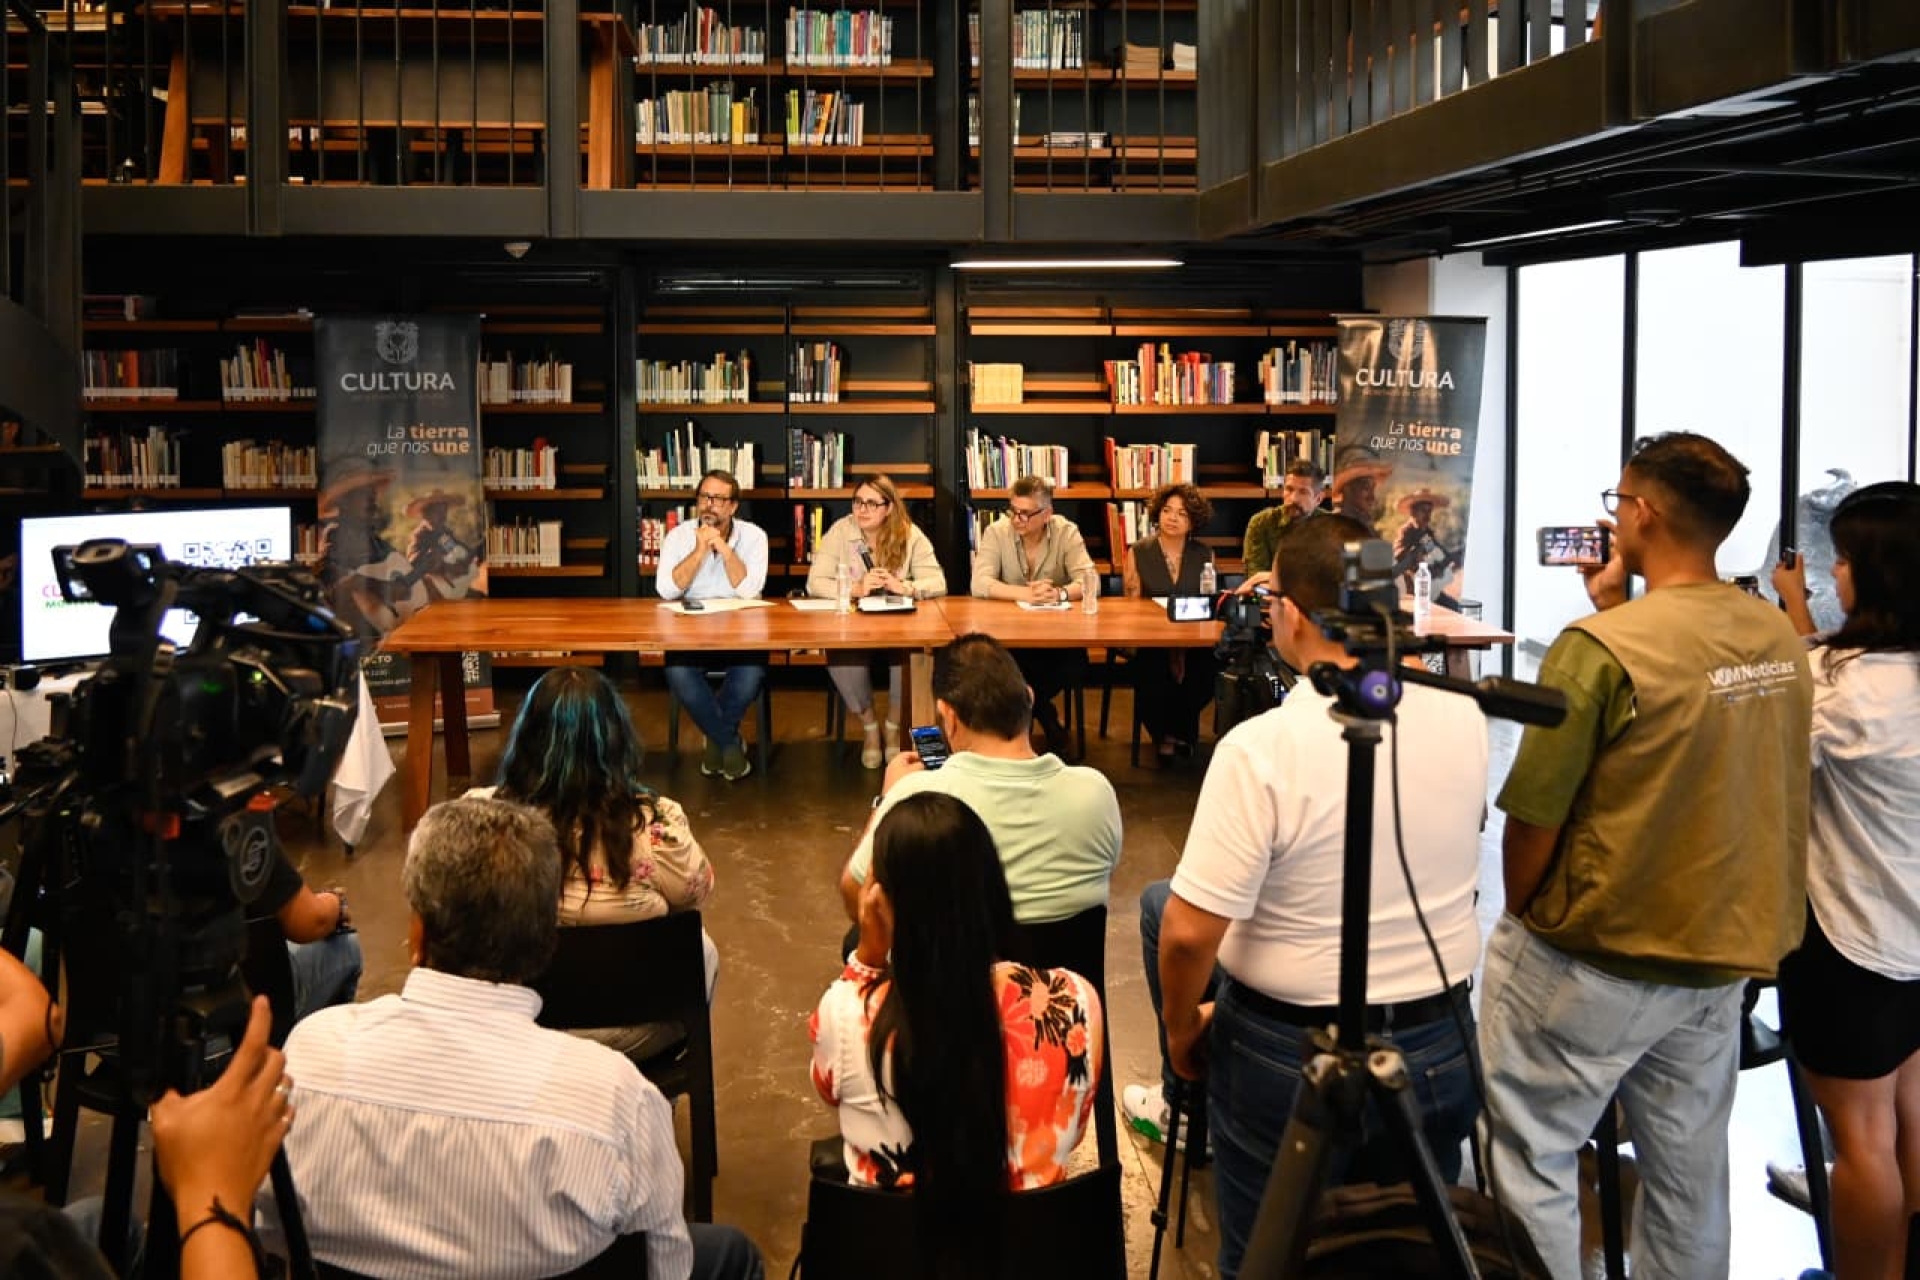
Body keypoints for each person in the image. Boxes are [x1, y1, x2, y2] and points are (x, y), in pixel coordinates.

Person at [1479, 432, 1813, 1280]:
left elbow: (1534, 815)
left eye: (1618, 501)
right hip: (1720, 955)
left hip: (1600, 951)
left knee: (1531, 1152)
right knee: (1690, 1177)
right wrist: (1611, 603)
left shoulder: (1599, 650)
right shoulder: (1777, 636)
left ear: (1646, 513)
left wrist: (1524, 914)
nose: (1614, 516)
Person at [1149, 514, 1489, 1278]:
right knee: (1409, 1261)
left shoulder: (1261, 748)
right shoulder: (1466, 715)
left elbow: (1188, 934)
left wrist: (1180, 1031)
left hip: (1288, 1050)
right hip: (1438, 1040)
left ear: (1293, 614)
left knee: (1269, 1261)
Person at [274, 796, 763, 1280]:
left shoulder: (307, 1063)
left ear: (417, 936)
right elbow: (666, 1268)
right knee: (732, 1253)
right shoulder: (617, 1103)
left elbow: (267, 1235)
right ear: (545, 947)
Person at [811, 792, 1103, 1273]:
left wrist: (865, 958)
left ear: (880, 904)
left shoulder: (846, 1012)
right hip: (1031, 1261)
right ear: (992, 887)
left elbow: (828, 1089)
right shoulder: (1074, 1003)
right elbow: (1075, 1130)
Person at [1772, 480, 1920, 1280]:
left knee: (1861, 1141)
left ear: (1877, 573)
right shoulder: (1861, 674)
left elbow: (1781, 750)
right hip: (1912, 938)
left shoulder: (1836, 682)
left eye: (1846, 559)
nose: (1837, 571)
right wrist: (1800, 612)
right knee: (1911, 1118)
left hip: (1849, 938)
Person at [0, 949, 292, 1280]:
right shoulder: (22, 1242)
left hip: (109, 1029)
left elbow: (31, 1013)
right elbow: (33, 1012)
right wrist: (210, 1200)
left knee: (103, 1220)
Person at [477, 665, 718, 1060]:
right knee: (699, 945)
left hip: (517, 1029)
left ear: (527, 736)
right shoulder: (657, 824)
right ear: (617, 738)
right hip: (627, 1032)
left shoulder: (478, 818)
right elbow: (698, 890)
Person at [838, 633, 1121, 929]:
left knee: (854, 942)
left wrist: (886, 800)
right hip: (1061, 960)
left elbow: (856, 898)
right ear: (1029, 697)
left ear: (949, 717)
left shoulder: (916, 797)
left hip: (958, 959)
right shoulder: (1096, 793)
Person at [805, 474, 949, 769]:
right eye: (858, 502)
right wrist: (856, 588)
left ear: (889, 507)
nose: (862, 510)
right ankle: (870, 728)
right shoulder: (841, 531)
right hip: (855, 623)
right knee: (841, 656)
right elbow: (815, 582)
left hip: (899, 623)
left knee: (912, 658)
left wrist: (904, 586)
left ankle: (894, 726)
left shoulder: (909, 534)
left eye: (872, 503)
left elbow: (938, 582)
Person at [969, 474, 1095, 758]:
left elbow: (1089, 580)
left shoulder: (1067, 532)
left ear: (1047, 514)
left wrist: (1059, 594)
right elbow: (979, 583)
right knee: (1006, 669)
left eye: (1025, 514)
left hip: (1058, 637)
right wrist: (1023, 594)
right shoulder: (997, 532)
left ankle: (1029, 723)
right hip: (1010, 638)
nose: (1017, 519)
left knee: (1068, 666)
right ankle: (1047, 718)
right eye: (1013, 511)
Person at [657, 468, 770, 782]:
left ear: (733, 506)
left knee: (751, 673)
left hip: (741, 632)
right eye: (704, 497)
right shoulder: (678, 537)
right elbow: (666, 590)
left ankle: (717, 741)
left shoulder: (754, 537)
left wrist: (724, 548)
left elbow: (749, 590)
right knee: (677, 672)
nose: (709, 505)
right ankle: (729, 744)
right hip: (690, 632)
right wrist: (699, 551)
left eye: (718, 499)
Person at [1122, 482, 1219, 764]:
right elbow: (1132, 605)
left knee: (1206, 668)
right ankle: (1164, 734)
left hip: (1193, 636)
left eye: (1182, 513)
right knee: (1152, 668)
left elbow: (1209, 601)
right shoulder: (1139, 552)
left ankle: (1179, 730)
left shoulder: (1204, 554)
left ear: (1193, 521)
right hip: (1151, 636)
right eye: (1167, 510)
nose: (1172, 518)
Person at [251, 849, 363, 1024]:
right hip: (260, 1001)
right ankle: (323, 1035)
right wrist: (337, 903)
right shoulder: (247, 840)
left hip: (208, 999)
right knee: (346, 944)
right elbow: (314, 921)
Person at [1238, 459, 1324, 594]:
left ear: (1318, 499)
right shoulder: (1261, 523)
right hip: (1271, 602)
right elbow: (1256, 581)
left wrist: (1273, 577)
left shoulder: (1330, 525)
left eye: (1303, 492)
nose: (1293, 498)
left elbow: (1331, 582)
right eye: (1289, 489)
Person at [1390, 488, 1462, 597]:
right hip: (1408, 587)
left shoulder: (1425, 534)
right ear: (1413, 512)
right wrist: (1418, 559)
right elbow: (1399, 559)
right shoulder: (1407, 532)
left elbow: (1436, 551)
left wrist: (1450, 559)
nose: (1427, 515)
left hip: (1426, 584)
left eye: (1429, 511)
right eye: (1423, 510)